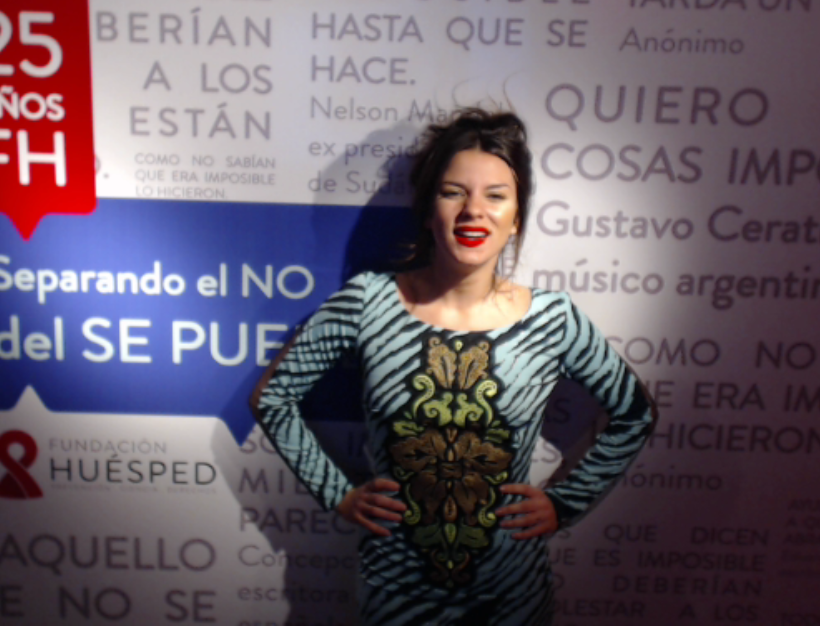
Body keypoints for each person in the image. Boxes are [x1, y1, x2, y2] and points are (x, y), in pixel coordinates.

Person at [252, 108, 657, 625]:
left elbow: (635, 415)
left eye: (496, 196)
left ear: (517, 217)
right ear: (428, 210)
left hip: (512, 596)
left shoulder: (552, 319)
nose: (473, 212)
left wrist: (565, 503)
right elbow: (273, 398)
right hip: (396, 593)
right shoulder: (367, 302)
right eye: (453, 192)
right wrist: (339, 495)